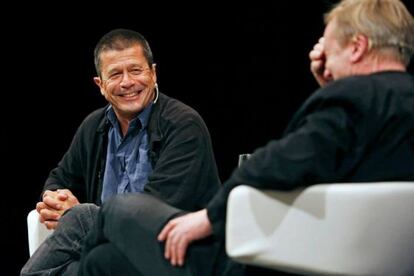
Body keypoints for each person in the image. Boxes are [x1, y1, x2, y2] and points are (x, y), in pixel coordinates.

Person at [76, 0, 414, 275]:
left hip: (247, 262)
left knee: (119, 208)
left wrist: (210, 216)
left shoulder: (353, 98)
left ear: (357, 47)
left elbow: (283, 161)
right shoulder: (392, 102)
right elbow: (337, 155)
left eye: (329, 48)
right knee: (101, 263)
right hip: (348, 251)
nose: (321, 58)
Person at [21, 28, 223, 275]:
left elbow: (155, 211)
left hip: (171, 254)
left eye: (136, 70)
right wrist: (54, 199)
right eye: (115, 74)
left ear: (154, 73)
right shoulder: (94, 127)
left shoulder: (184, 125)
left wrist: (77, 215)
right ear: (101, 85)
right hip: (109, 252)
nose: (127, 82)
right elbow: (60, 180)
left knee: (80, 219)